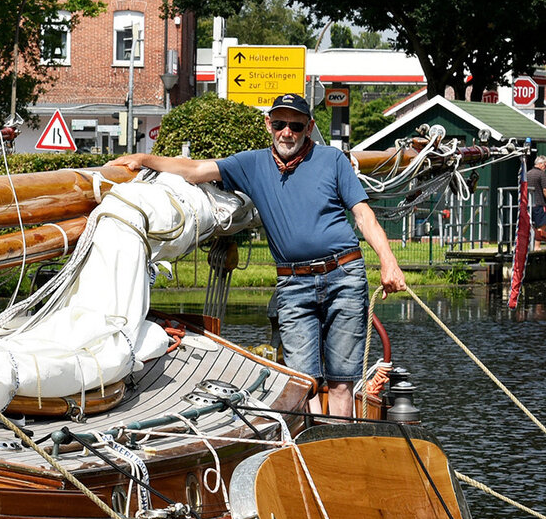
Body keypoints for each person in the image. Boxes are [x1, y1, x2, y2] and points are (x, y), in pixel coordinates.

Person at [128, 93, 404, 416]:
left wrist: (389, 261)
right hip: (293, 285)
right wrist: (142, 160)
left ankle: (336, 449)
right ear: (268, 125)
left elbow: (363, 216)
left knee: (342, 381)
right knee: (304, 381)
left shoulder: (333, 160)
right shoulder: (252, 164)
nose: (287, 132)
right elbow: (195, 170)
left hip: (343, 275)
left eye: (296, 125)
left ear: (309, 127)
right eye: (279, 124)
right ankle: (316, 447)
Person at [527, 156, 546, 243]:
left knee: (529, 225)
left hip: (528, 203)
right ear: (540, 164)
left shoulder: (528, 173)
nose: (545, 167)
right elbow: (545, 189)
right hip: (539, 203)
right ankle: (537, 246)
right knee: (541, 225)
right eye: (545, 165)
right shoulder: (542, 174)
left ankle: (529, 244)